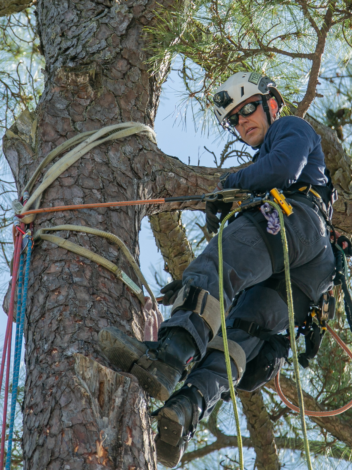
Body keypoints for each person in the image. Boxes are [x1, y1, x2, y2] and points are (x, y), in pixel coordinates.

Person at [100, 72, 338, 467]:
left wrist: (230, 185)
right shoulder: (269, 159)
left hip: (295, 224)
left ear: (272, 105)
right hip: (310, 271)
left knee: (214, 268)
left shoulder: (292, 128)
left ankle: (167, 359)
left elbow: (283, 168)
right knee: (236, 337)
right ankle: (185, 411)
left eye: (249, 109)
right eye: (234, 118)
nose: (243, 120)